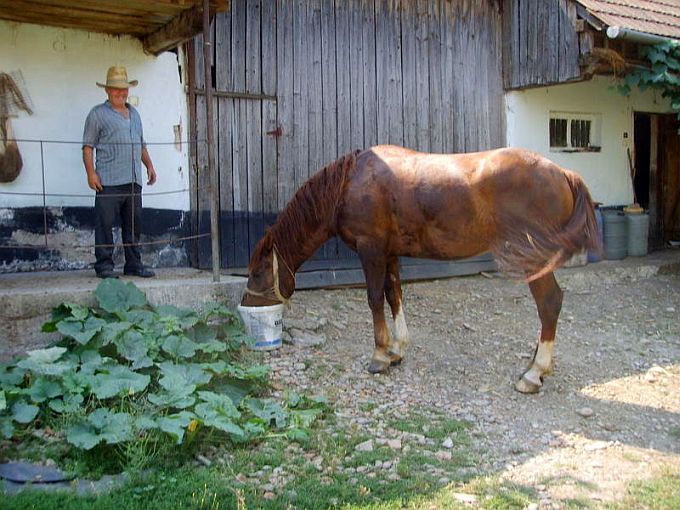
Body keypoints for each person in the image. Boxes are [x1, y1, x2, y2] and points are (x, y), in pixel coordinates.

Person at [82, 66, 157, 279]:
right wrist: (91, 173)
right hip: (108, 180)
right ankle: (104, 266)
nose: (121, 93)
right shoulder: (97, 114)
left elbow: (141, 144)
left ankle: (133, 264)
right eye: (116, 89)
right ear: (107, 90)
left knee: (133, 226)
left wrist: (149, 166)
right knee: (105, 224)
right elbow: (88, 146)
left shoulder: (135, 114)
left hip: (133, 180)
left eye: (124, 89)